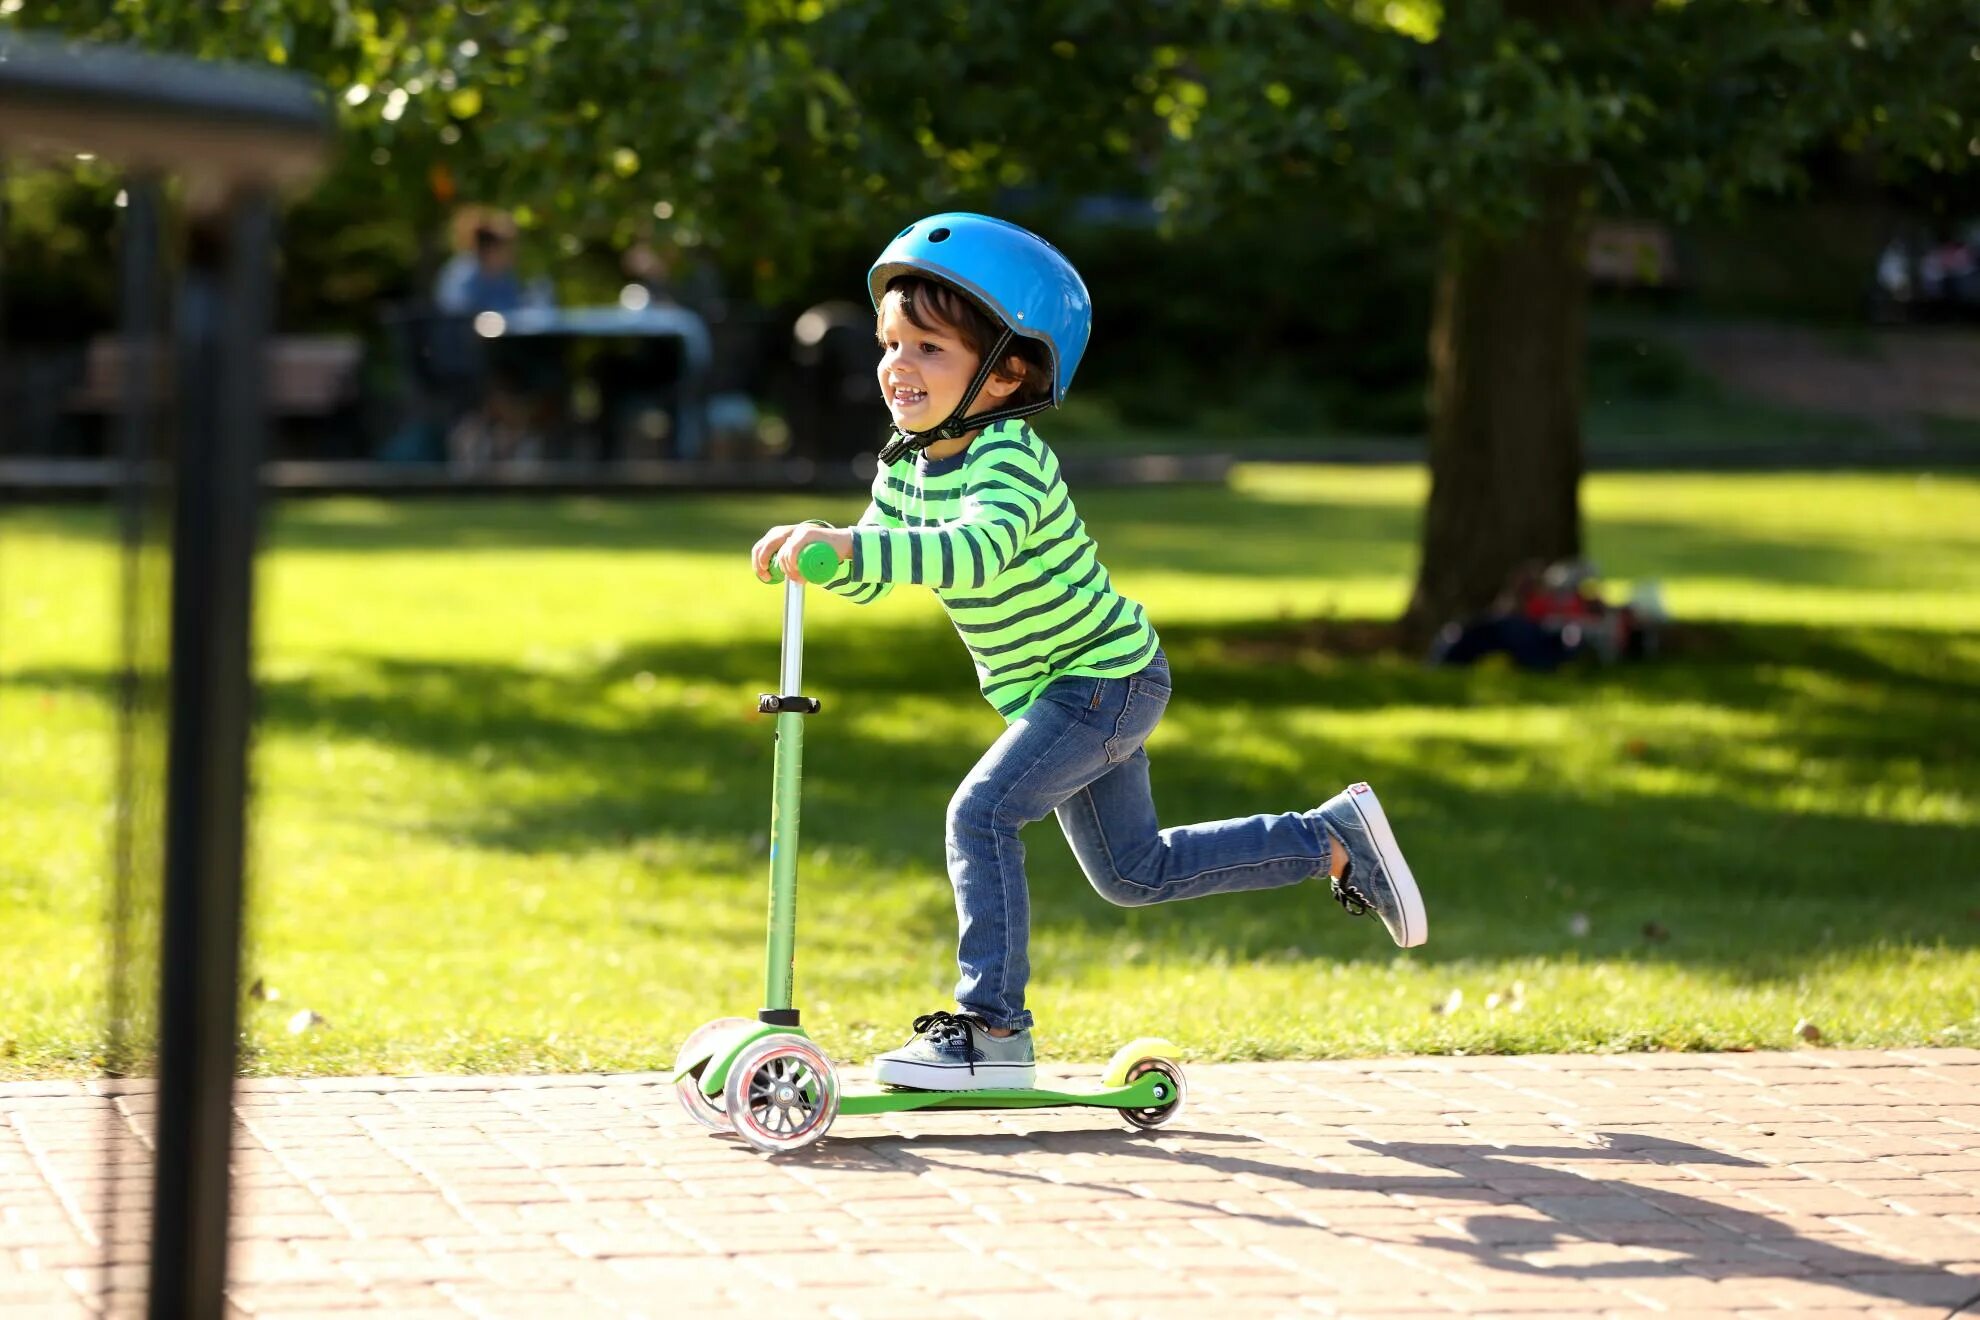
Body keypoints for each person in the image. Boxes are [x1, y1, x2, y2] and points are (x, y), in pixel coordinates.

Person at [749, 214, 1427, 1091]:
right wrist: (825, 554)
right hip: (1062, 693)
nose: (898, 367)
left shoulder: (1009, 459)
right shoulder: (906, 465)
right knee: (1133, 874)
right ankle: (1329, 841)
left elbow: (975, 549)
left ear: (1007, 375)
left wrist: (853, 549)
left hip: (1103, 680)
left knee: (980, 814)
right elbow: (881, 566)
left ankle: (993, 1028)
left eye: (929, 348)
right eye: (891, 344)